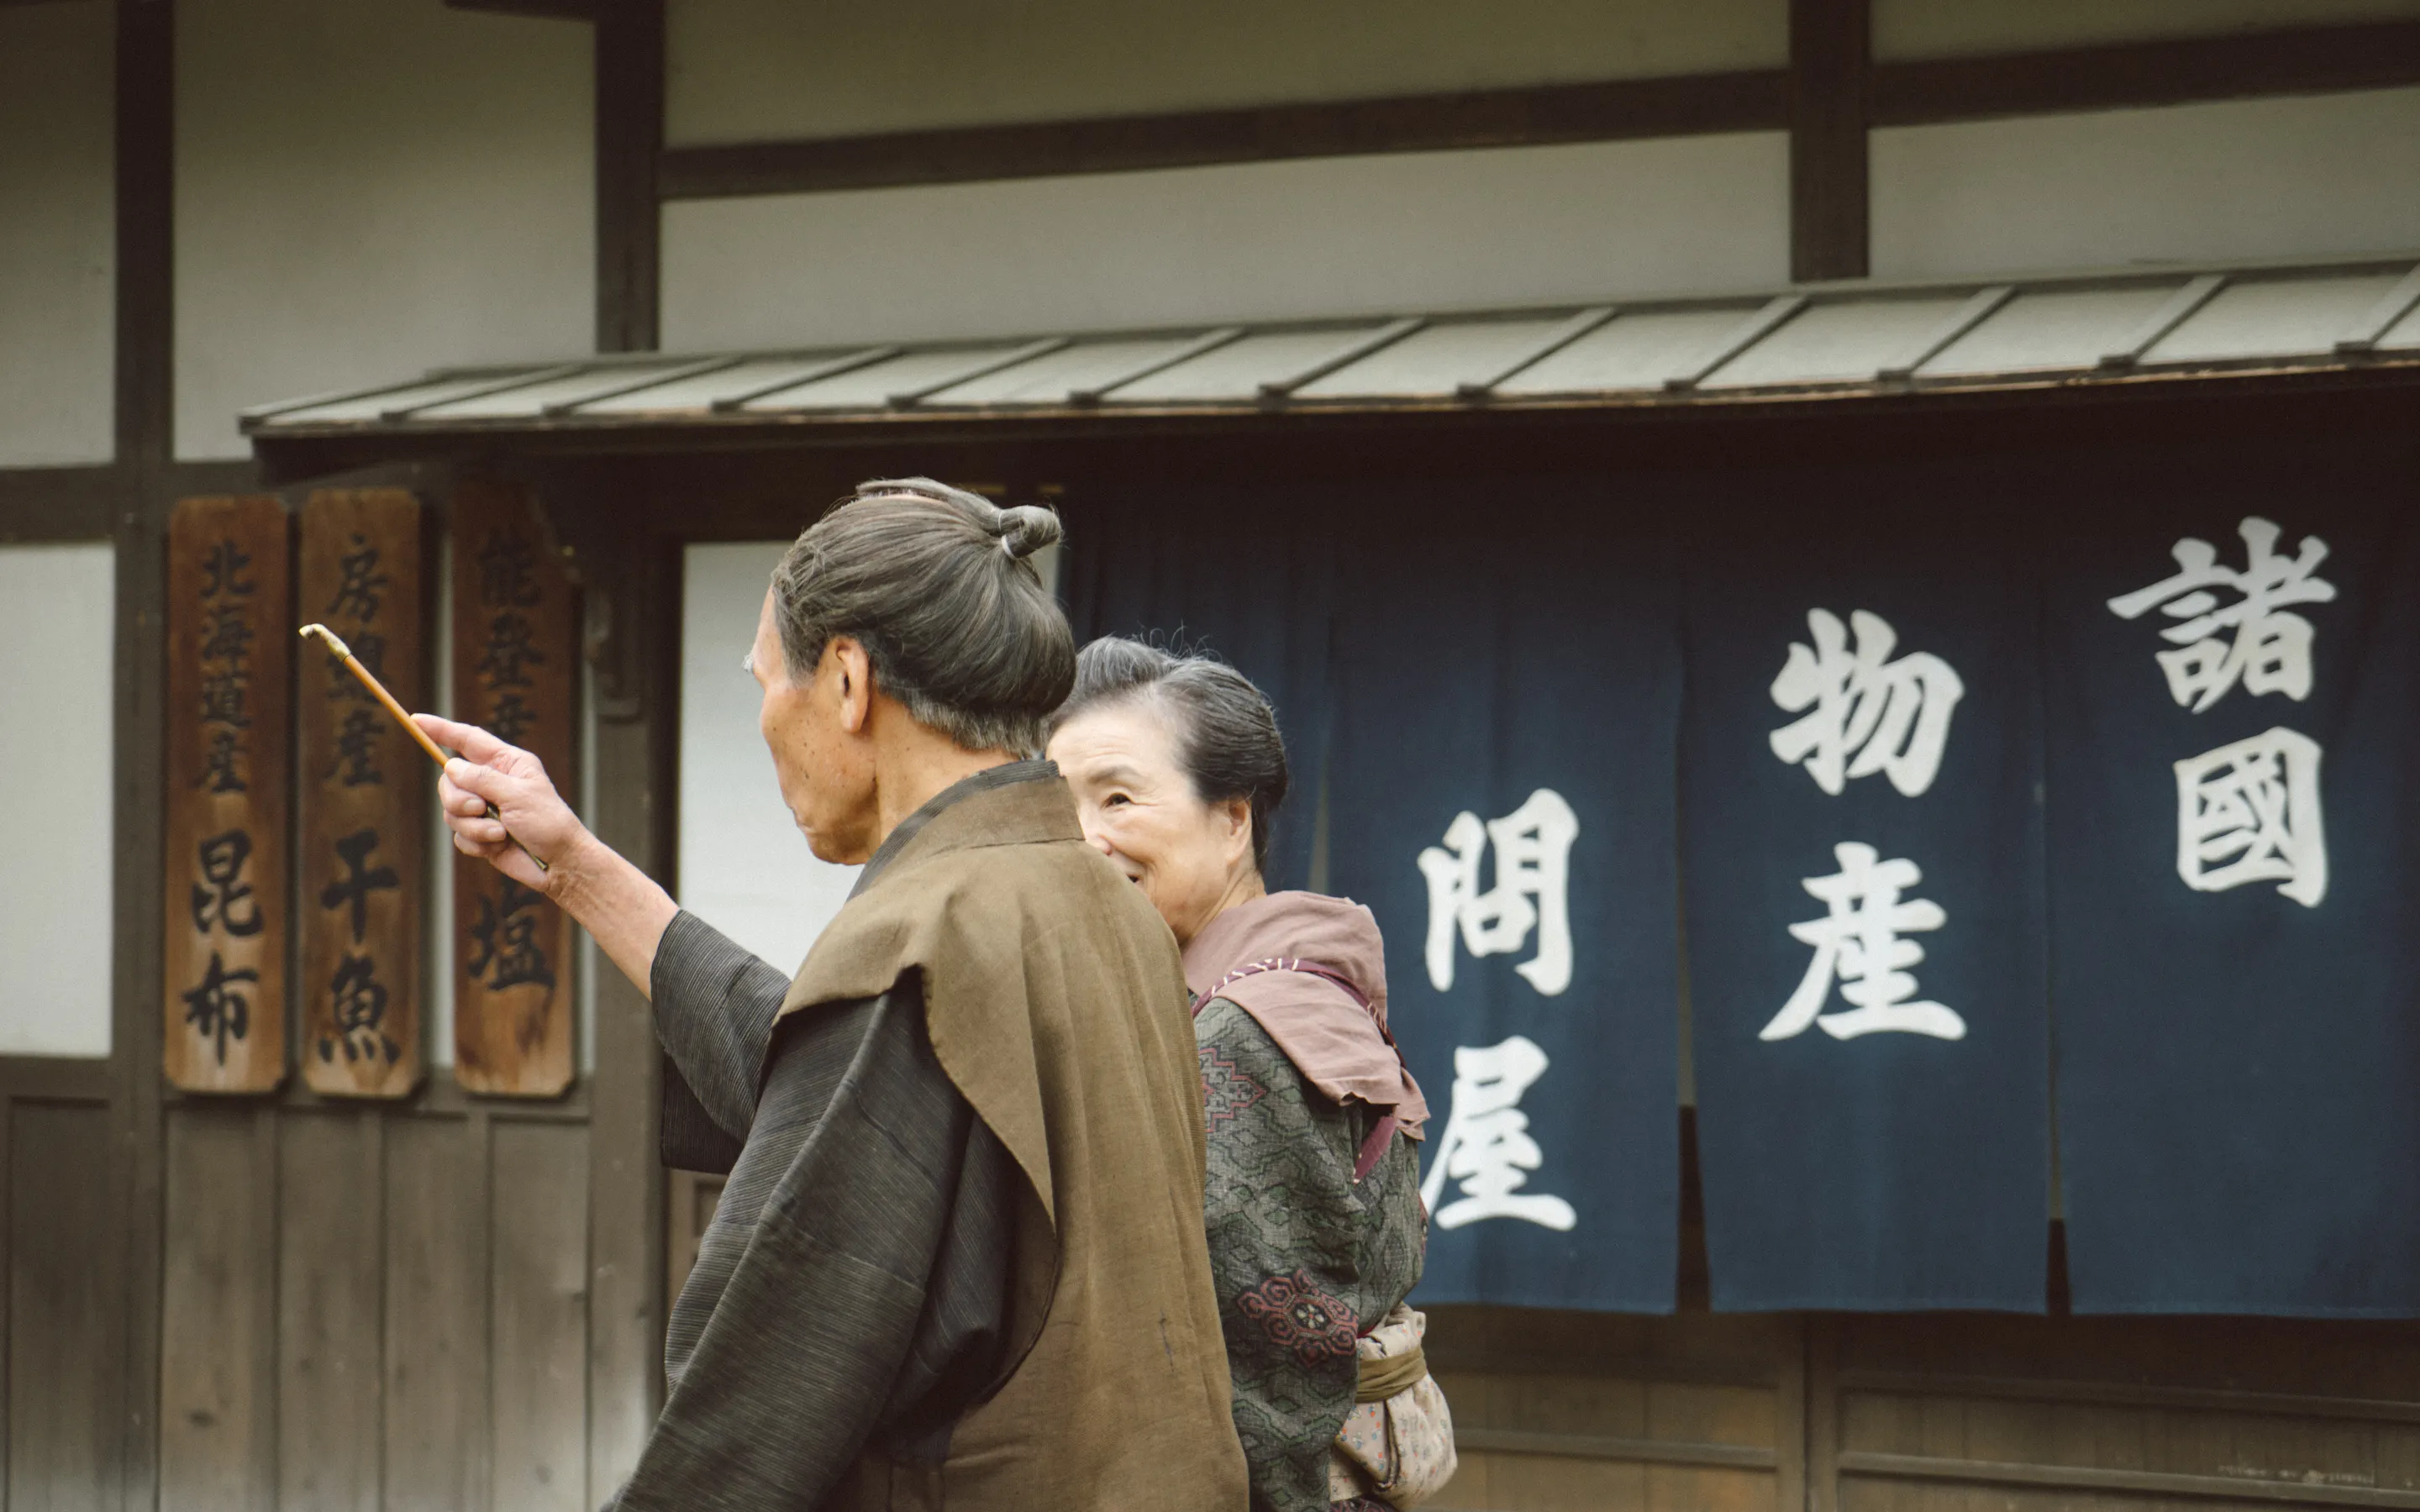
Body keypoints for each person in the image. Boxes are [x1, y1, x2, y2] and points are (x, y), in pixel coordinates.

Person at [419, 480, 1247, 1512]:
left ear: (847, 679)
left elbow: (768, 1389)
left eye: (769, 681)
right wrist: (580, 869)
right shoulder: (1090, 896)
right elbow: (835, 1085)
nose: (768, 715)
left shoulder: (920, 941)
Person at [1048, 639, 1435, 1512]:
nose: (1083, 839)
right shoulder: (1240, 991)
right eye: (1059, 804)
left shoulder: (1247, 1029)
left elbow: (1265, 1383)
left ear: (1233, 821)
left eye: (1116, 796)